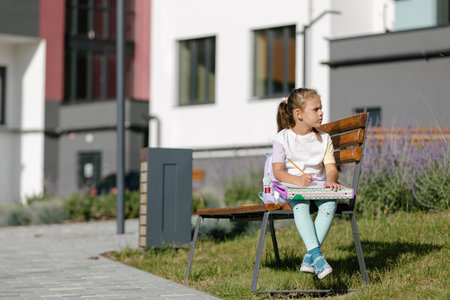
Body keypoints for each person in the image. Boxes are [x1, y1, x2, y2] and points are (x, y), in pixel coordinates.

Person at [272, 87, 341, 280]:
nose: (321, 113)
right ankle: (317, 257)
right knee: (301, 204)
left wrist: (331, 180)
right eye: (316, 109)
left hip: (318, 189)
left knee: (329, 203)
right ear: (298, 114)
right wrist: (297, 180)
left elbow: (331, 168)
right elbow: (278, 172)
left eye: (321, 108)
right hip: (293, 189)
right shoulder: (282, 138)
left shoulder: (324, 139)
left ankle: (310, 257)